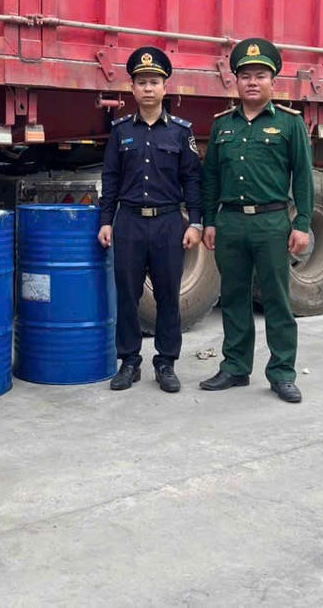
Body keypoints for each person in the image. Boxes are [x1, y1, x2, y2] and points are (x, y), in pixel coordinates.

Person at [200, 38, 313, 403]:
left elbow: (304, 177)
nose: (252, 82)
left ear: (273, 81)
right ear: (235, 81)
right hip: (231, 223)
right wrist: (209, 221)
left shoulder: (290, 124)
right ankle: (235, 367)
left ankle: (282, 372)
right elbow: (212, 177)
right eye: (245, 75)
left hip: (272, 223)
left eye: (260, 75)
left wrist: (304, 223)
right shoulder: (222, 126)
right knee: (233, 297)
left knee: (278, 299)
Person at [98, 46, 203, 393]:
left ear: (165, 87)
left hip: (168, 224)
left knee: (168, 296)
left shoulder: (179, 132)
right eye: (141, 82)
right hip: (128, 222)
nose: (147, 88)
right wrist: (105, 220)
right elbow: (110, 178)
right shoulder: (120, 131)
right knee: (126, 295)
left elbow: (192, 179)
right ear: (132, 89)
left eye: (154, 82)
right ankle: (129, 362)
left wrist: (196, 222)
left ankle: (166, 362)